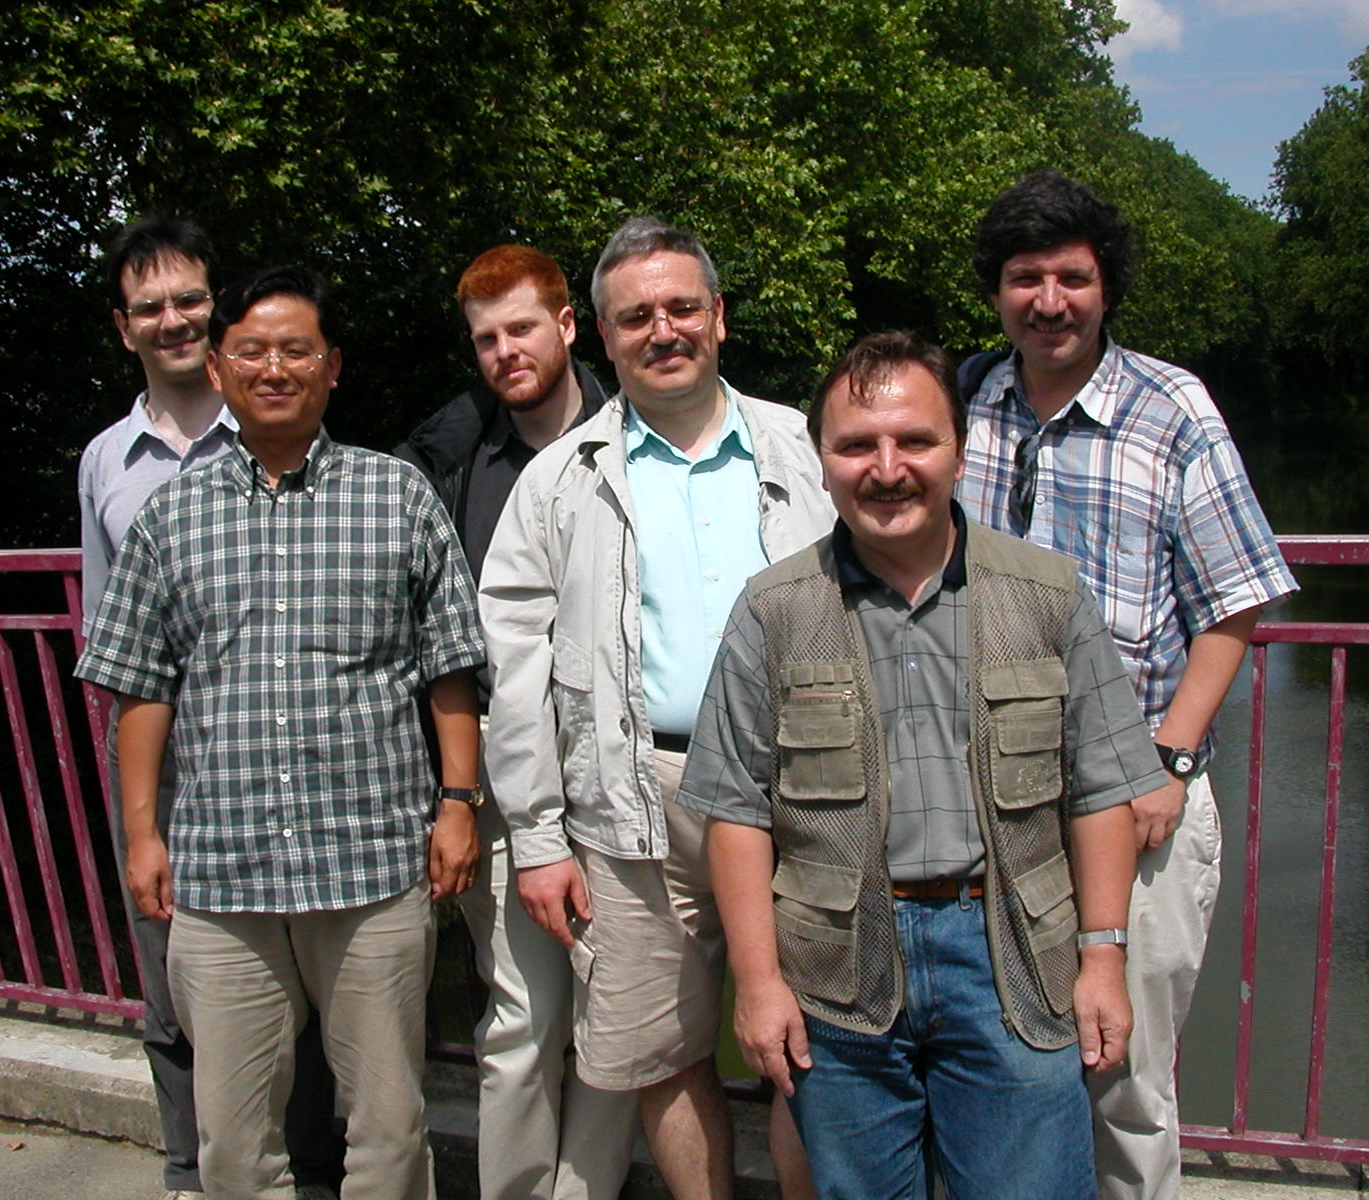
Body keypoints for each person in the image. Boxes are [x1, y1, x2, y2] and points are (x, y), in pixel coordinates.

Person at [677, 330, 1164, 1200]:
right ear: (822, 463)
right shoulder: (774, 610)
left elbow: (1101, 790)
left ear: (961, 453)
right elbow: (739, 811)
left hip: (1016, 960)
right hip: (836, 970)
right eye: (856, 445)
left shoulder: (1048, 594)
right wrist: (757, 985)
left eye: (915, 441)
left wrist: (1102, 958)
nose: (887, 468)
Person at [76, 265, 484, 1200]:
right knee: (232, 1140)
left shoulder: (397, 496)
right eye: (251, 351)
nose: (273, 368)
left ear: (331, 366)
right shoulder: (170, 517)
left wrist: (458, 804)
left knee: (389, 1128)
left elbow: (449, 668)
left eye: (296, 350)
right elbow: (140, 689)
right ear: (218, 367)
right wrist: (142, 835)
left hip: (372, 863)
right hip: (222, 871)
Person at [956, 170, 1298, 1200]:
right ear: (996, 290)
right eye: (1025, 278)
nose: (1048, 301)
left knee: (1126, 1078)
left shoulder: (1170, 407)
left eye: (1071, 277)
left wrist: (1170, 760)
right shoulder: (966, 399)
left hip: (1134, 796)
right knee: (993, 1065)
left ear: (1106, 286)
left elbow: (1234, 601)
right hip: (988, 799)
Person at [480, 216, 835, 1200]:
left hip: (805, 790)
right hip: (631, 800)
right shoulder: (558, 480)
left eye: (681, 307)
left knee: (814, 1051)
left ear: (718, 316)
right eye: (636, 317)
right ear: (602, 334)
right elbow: (515, 670)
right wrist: (536, 837)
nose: (662, 330)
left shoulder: (807, 448)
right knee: (657, 1055)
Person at [77, 217, 338, 1200]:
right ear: (124, 328)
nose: (173, 320)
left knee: (295, 966)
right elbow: (107, 633)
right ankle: (192, 1171)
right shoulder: (106, 462)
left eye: (190, 299)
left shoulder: (279, 421)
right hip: (164, 755)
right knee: (169, 974)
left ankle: (310, 1170)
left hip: (276, 744)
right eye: (149, 307)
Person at [393, 245, 638, 1200]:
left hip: (624, 768)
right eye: (486, 339)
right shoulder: (455, 463)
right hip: (507, 773)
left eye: (523, 328)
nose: (506, 352)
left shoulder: (636, 437)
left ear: (568, 326)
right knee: (522, 1019)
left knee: (616, 1015)